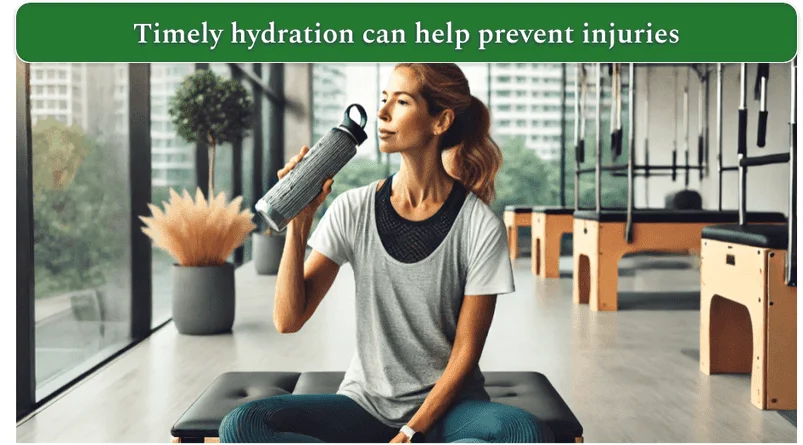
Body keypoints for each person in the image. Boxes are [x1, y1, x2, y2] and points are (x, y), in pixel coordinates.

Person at [219, 63, 554, 443]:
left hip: (449, 411)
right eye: (383, 99)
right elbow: (287, 318)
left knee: (522, 432)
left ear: (440, 121)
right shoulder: (353, 208)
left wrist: (411, 432)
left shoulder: (479, 226)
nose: (382, 113)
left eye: (402, 101)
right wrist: (300, 221)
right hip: (365, 405)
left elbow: (464, 355)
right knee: (244, 424)